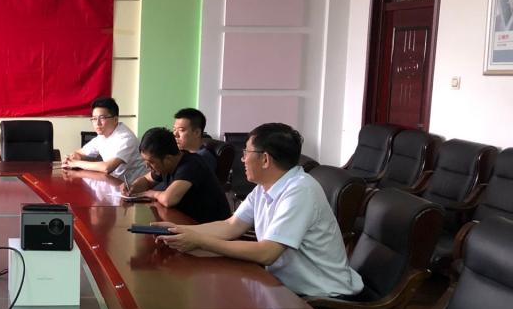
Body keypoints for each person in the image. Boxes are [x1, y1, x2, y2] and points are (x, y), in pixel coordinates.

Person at [155, 123, 363, 298]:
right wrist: (177, 230)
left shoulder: (301, 190)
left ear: (265, 159)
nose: (243, 159)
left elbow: (267, 253)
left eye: (246, 152)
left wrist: (199, 241)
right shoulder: (265, 187)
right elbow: (231, 226)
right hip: (284, 289)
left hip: (323, 298)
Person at [121, 127, 231, 223]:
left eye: (151, 162)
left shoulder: (191, 165)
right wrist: (132, 187)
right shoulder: (165, 165)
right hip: (186, 222)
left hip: (212, 228)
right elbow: (146, 180)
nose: (147, 166)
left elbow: (168, 200)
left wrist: (151, 193)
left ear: (168, 159)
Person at [61, 96, 148, 183]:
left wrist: (76, 163)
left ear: (115, 119)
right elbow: (80, 152)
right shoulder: (102, 136)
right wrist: (73, 157)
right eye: (94, 118)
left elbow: (107, 167)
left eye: (102, 118)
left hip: (136, 187)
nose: (97, 123)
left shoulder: (126, 138)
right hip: (114, 183)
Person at [172, 107, 218, 172]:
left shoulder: (202, 158)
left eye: (181, 130)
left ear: (197, 133)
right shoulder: (182, 154)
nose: (175, 134)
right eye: (174, 129)